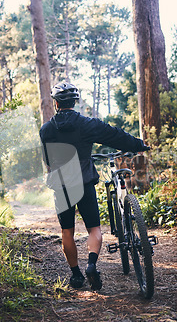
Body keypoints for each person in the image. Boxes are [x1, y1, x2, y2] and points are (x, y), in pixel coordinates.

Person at [39, 81, 150, 291]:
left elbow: (48, 159)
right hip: (83, 182)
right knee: (94, 229)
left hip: (61, 184)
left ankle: (76, 275)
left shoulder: (46, 130)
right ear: (75, 102)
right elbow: (114, 135)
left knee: (67, 231)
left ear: (55, 103)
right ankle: (91, 265)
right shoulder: (87, 124)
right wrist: (138, 145)